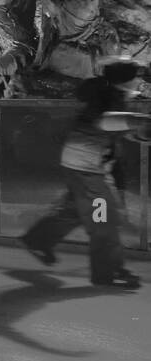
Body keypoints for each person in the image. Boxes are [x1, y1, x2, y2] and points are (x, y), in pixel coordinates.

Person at [21, 61, 144, 289]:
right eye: (138, 76)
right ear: (125, 80)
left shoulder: (108, 93)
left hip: (81, 164)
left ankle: (38, 239)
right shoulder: (108, 96)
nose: (142, 81)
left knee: (78, 210)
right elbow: (104, 122)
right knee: (104, 221)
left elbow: (112, 128)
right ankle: (107, 273)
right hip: (88, 169)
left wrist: (139, 131)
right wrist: (139, 122)